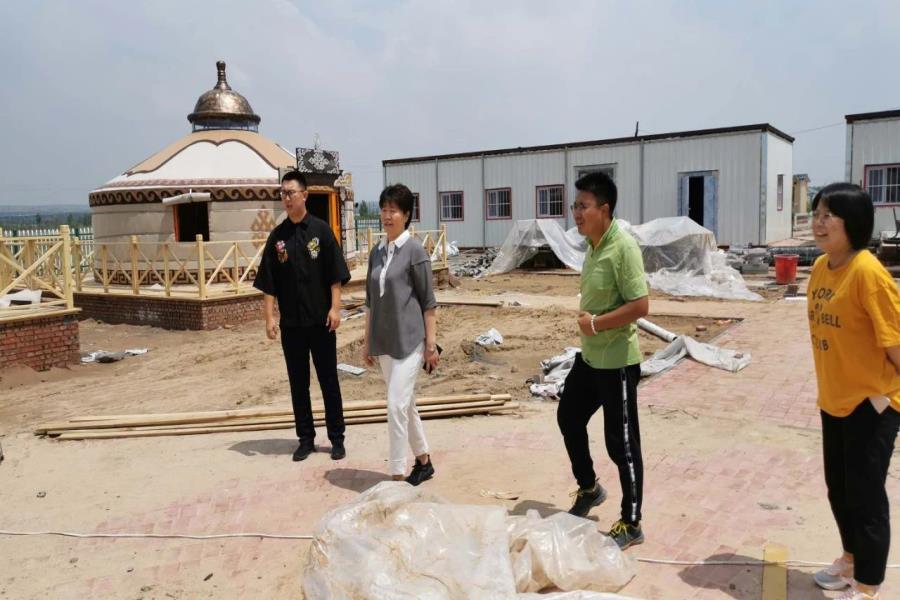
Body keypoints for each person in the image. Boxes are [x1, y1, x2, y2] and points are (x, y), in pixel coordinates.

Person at [806, 183, 899, 600]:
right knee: (840, 490)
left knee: (866, 497)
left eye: (829, 215)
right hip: (835, 399)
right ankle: (850, 560)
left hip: (871, 403)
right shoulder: (821, 267)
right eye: (817, 214)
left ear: (853, 223)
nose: (819, 223)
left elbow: (895, 344)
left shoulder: (868, 273)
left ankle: (867, 584)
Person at [557, 171, 650, 550]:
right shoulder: (593, 247)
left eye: (583, 206)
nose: (576, 213)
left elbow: (640, 305)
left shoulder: (623, 248)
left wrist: (594, 324)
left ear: (604, 209)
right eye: (575, 206)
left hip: (617, 363)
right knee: (568, 417)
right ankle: (590, 488)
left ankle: (632, 522)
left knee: (621, 444)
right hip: (591, 359)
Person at [254, 171, 351, 462]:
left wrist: (335, 308)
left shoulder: (321, 231)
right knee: (298, 384)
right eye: (282, 193)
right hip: (292, 325)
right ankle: (305, 439)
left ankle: (336, 439)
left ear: (304, 195)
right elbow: (268, 282)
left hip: (321, 322)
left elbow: (335, 275)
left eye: (291, 193)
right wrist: (269, 318)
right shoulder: (278, 237)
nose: (286, 198)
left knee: (328, 381)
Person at [361, 183, 439, 485]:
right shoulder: (377, 252)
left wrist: (430, 345)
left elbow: (428, 303)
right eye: (384, 209)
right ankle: (424, 462)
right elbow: (370, 301)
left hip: (410, 342)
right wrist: (367, 342)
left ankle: (395, 476)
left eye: (393, 210)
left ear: (406, 215)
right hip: (384, 342)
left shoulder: (415, 251)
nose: (387, 215)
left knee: (395, 406)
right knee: (406, 404)